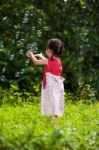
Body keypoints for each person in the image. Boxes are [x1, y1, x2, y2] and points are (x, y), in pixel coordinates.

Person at [26, 38, 65, 124]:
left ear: (50, 50)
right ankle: (55, 123)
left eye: (47, 48)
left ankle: (54, 124)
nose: (46, 50)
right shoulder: (58, 60)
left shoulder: (47, 61)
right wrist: (41, 56)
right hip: (57, 86)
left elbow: (36, 62)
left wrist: (31, 55)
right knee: (55, 105)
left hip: (50, 87)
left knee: (52, 105)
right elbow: (48, 62)